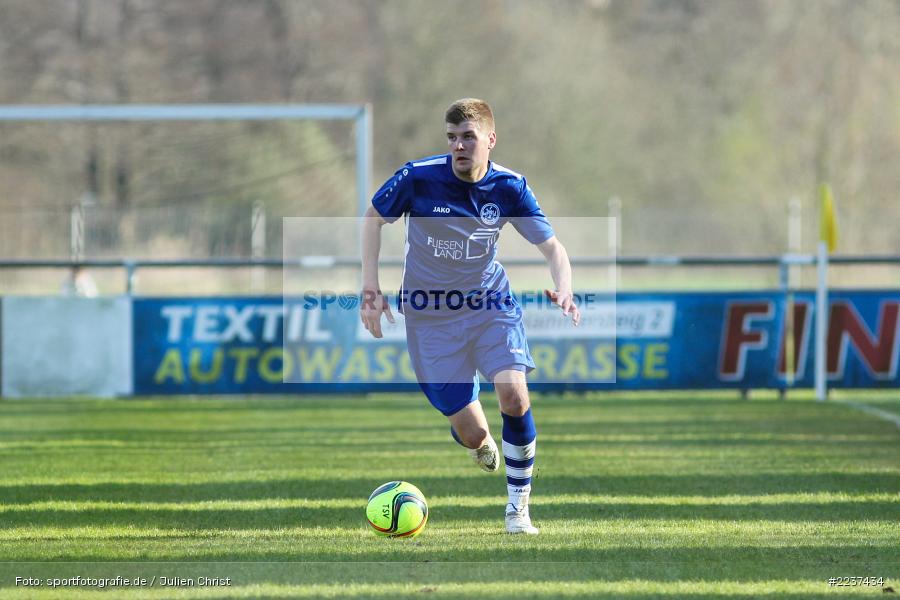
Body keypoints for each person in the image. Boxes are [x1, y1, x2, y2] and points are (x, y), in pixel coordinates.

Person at [360, 98, 579, 534]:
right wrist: (371, 288)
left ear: (490, 141)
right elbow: (372, 219)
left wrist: (566, 286)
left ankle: (518, 512)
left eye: (468, 137)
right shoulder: (418, 177)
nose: (458, 146)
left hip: (489, 305)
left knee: (513, 394)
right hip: (429, 318)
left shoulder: (510, 187)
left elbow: (553, 247)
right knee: (475, 434)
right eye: (452, 138)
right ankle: (473, 439)